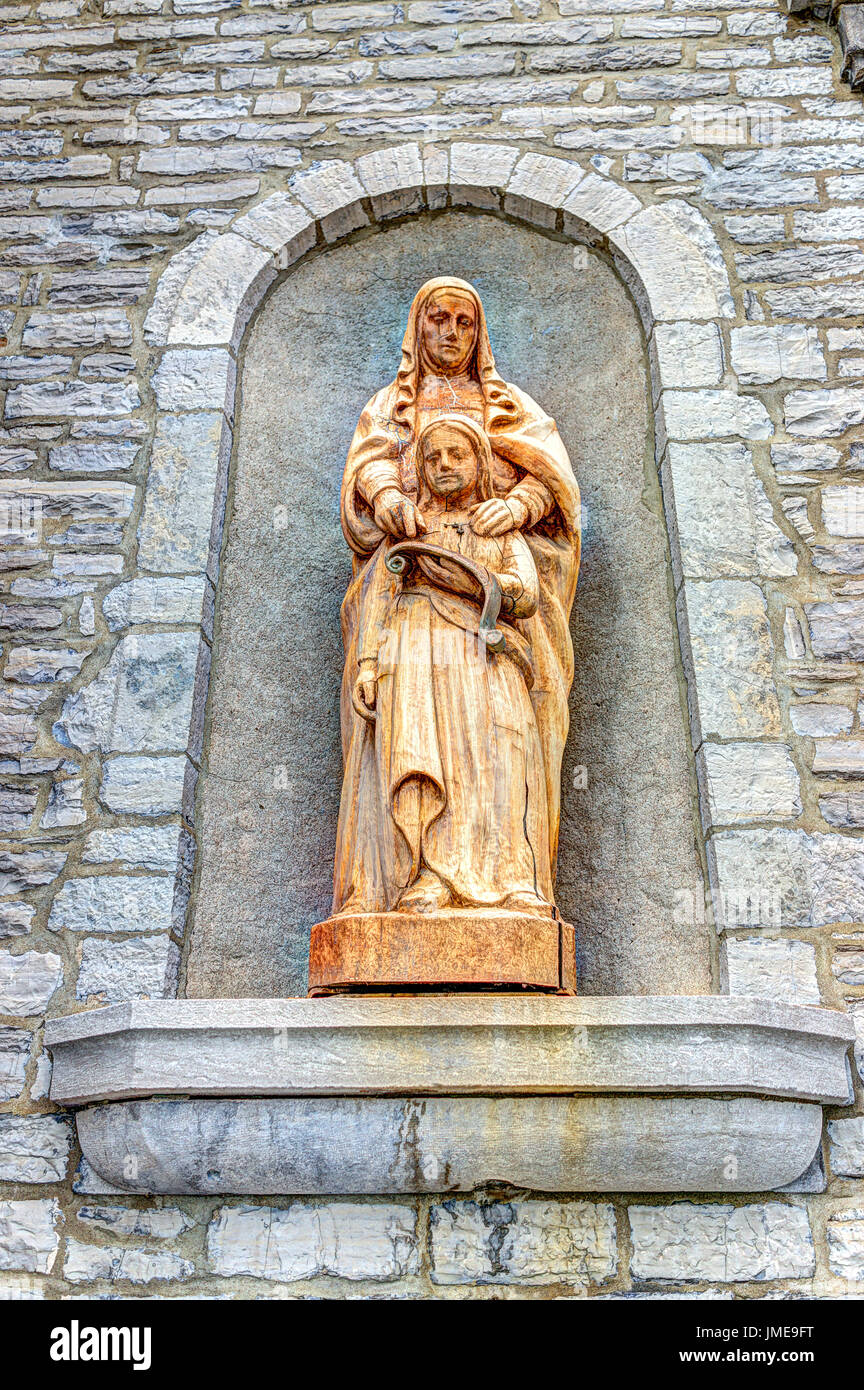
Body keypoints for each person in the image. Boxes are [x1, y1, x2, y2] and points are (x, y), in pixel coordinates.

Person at [334, 414, 553, 915]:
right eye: (432, 458)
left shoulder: (498, 529)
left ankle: (511, 875)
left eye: (458, 455)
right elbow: (378, 597)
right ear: (419, 469)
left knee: (498, 760)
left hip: (484, 656)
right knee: (422, 755)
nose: (445, 465)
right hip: (412, 652)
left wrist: (475, 582)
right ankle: (425, 874)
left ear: (479, 463)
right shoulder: (407, 530)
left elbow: (525, 595)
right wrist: (367, 663)